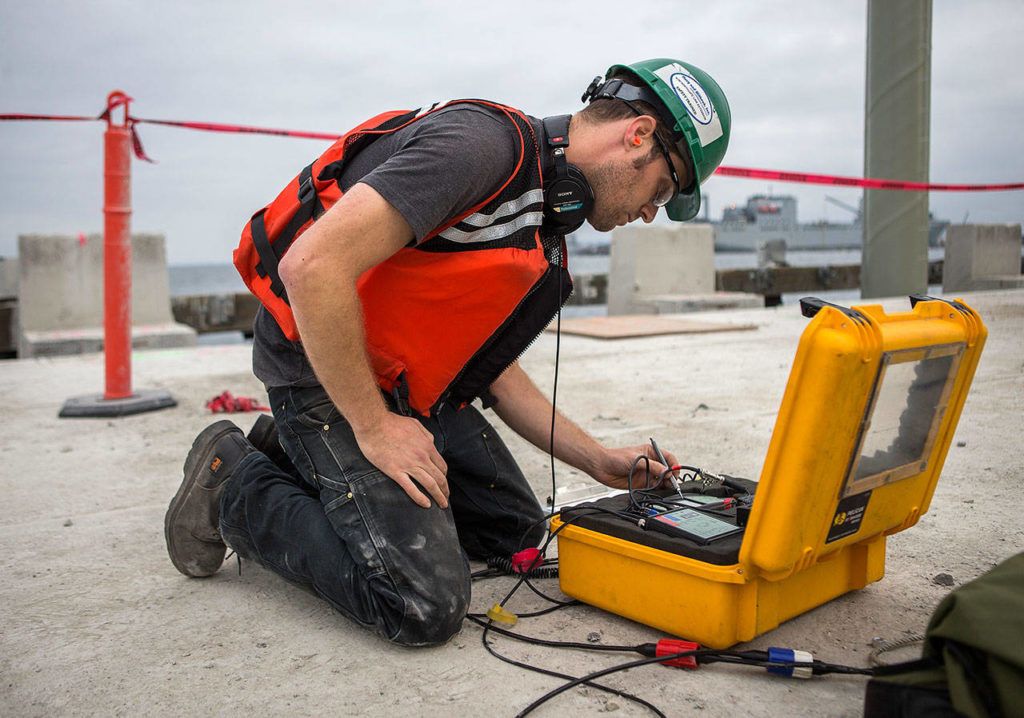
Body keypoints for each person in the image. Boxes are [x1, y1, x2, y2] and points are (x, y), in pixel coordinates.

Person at [165, 58, 731, 646]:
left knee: (515, 535)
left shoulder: (543, 212)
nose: (649, 213)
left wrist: (596, 458)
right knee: (421, 602)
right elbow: (312, 266)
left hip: (406, 382)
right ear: (638, 136)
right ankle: (233, 479)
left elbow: (490, 368)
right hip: (320, 369)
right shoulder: (480, 148)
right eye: (661, 190)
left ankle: (288, 456)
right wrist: (375, 427)